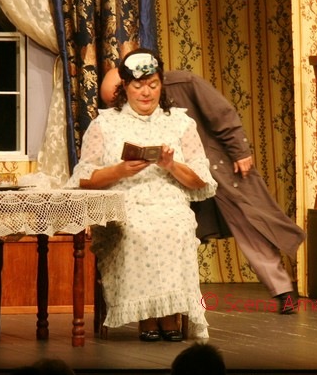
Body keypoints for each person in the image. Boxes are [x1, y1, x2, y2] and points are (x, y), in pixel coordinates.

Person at [100, 66, 305, 313]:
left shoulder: (183, 83)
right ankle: (168, 304)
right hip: (168, 181)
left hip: (214, 168)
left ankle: (282, 290)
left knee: (249, 223)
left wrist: (240, 151)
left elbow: (222, 114)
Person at [67, 48, 217, 342]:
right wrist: (120, 170)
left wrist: (171, 165)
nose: (146, 92)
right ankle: (148, 318)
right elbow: (83, 178)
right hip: (124, 203)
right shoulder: (105, 124)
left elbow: (200, 179)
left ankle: (171, 315)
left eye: (153, 85)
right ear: (124, 86)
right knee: (139, 230)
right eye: (138, 86)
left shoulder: (181, 123)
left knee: (176, 227)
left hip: (169, 201)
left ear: (162, 85)